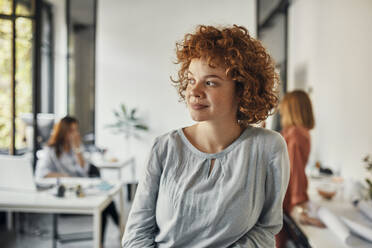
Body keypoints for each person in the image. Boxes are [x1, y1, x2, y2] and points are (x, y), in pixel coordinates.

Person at [122, 25, 290, 247]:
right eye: (191, 80)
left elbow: (266, 230)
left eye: (210, 82)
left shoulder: (267, 148)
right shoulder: (164, 148)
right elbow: (136, 235)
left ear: (241, 89)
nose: (194, 91)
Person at [35, 116, 120, 245]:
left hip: (81, 189)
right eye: (72, 130)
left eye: (76, 130)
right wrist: (64, 176)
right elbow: (41, 174)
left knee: (106, 202)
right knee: (107, 204)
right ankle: (119, 229)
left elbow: (84, 170)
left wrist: (77, 149)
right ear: (63, 132)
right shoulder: (51, 150)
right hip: (65, 192)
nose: (76, 133)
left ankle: (103, 240)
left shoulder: (77, 148)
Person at [275, 90, 325, 248]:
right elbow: (295, 171)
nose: (282, 117)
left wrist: (299, 206)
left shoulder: (295, 134)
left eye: (283, 112)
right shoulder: (298, 133)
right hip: (282, 199)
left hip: (281, 199)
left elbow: (295, 171)